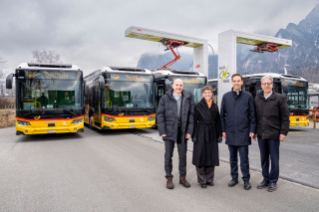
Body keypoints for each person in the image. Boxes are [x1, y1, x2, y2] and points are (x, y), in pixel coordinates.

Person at [220, 73, 256, 190]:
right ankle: (234, 178)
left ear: (241, 82)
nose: (236, 83)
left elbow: (253, 115)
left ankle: (246, 179)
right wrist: (223, 130)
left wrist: (252, 130)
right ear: (232, 83)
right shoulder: (226, 97)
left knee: (244, 159)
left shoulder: (248, 96)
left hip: (244, 132)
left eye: (238, 81)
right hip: (230, 132)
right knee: (232, 158)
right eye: (234, 81)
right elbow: (222, 116)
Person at [157, 79, 194, 189]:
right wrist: (162, 131)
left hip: (183, 131)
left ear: (183, 87)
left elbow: (192, 116)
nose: (178, 87)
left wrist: (189, 131)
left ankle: (182, 177)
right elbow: (160, 115)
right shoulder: (165, 98)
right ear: (173, 86)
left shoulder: (188, 97)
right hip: (169, 131)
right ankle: (169, 178)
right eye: (177, 85)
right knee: (168, 156)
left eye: (180, 85)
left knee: (182, 156)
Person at [254, 75, 289, 192]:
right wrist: (253, 131)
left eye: (269, 83)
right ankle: (266, 178)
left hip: (274, 134)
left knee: (274, 159)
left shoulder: (279, 98)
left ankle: (273, 180)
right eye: (265, 84)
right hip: (261, 134)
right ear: (261, 86)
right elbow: (254, 117)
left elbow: (285, 117)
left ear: (272, 85)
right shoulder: (257, 98)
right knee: (263, 158)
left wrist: (283, 132)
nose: (267, 85)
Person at [192, 86, 222, 188]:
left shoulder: (215, 106)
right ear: (202, 94)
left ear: (212, 94)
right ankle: (202, 180)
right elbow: (194, 122)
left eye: (209, 92)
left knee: (211, 155)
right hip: (201, 132)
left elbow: (218, 121)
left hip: (213, 132)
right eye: (205, 93)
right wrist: (194, 135)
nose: (207, 94)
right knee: (200, 155)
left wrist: (219, 134)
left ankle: (209, 179)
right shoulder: (197, 106)